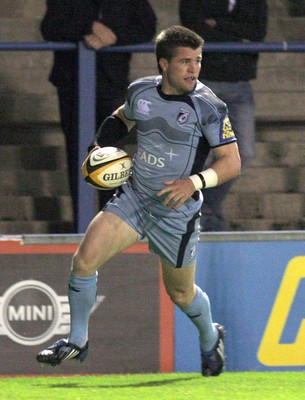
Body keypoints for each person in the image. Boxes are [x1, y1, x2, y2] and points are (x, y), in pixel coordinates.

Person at [36, 25, 241, 377]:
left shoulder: (209, 106)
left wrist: (192, 182)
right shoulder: (141, 91)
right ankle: (77, 341)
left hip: (176, 212)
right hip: (134, 197)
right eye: (185, 62)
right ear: (163, 64)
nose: (194, 69)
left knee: (180, 293)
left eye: (198, 61)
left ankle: (210, 336)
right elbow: (123, 117)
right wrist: (100, 146)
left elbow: (231, 162)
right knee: (84, 261)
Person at [40, 0, 157, 231]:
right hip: (72, 83)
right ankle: (81, 225)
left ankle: (110, 224)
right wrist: (89, 28)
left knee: (112, 154)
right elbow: (51, 27)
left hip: (112, 83)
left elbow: (146, 28)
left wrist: (113, 36)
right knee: (78, 153)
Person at [179, 0, 268, 231]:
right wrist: (237, 34)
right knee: (203, 154)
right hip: (204, 83)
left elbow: (258, 33)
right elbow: (193, 31)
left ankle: (206, 207)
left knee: (244, 153)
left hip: (240, 83)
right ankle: (202, 212)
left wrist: (218, 25)